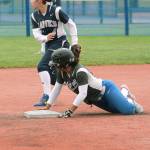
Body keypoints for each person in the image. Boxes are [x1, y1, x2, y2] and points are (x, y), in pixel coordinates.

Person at [41, 47, 144, 118]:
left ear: (66, 63)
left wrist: (70, 110)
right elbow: (56, 89)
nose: (56, 66)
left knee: (128, 110)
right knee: (116, 111)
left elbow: (83, 93)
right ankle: (123, 95)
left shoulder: (80, 72)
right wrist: (48, 105)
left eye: (57, 64)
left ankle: (125, 91)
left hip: (106, 89)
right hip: (95, 99)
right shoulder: (62, 72)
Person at [30, 0, 78, 106]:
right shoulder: (34, 16)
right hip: (49, 45)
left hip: (60, 43)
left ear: (40, 1)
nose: (30, 1)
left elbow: (71, 24)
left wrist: (74, 43)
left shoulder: (56, 11)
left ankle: (47, 97)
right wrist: (45, 38)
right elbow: (36, 34)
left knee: (42, 66)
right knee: (55, 77)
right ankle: (77, 80)